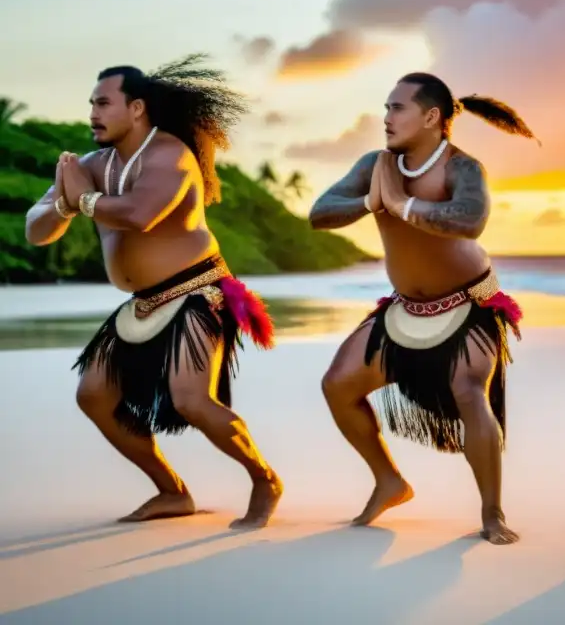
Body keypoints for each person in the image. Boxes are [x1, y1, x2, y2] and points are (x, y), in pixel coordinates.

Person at [24, 54, 283, 529]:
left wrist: (81, 198)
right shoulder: (90, 165)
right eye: (91, 104)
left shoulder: (170, 155)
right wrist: (63, 203)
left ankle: (263, 478)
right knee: (94, 396)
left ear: (137, 107)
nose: (93, 113)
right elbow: (35, 231)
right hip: (141, 303)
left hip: (196, 291)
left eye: (104, 103)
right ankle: (172, 491)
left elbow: (141, 213)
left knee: (191, 399)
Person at [309, 72, 535, 545]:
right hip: (403, 308)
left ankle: (492, 513)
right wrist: (373, 199)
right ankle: (389, 481)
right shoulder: (375, 164)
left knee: (469, 391)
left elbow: (471, 221)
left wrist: (403, 205)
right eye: (387, 107)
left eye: (397, 108)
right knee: (337, 385)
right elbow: (320, 213)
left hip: (467, 304)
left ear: (431, 117)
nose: (386, 117)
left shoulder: (462, 168)